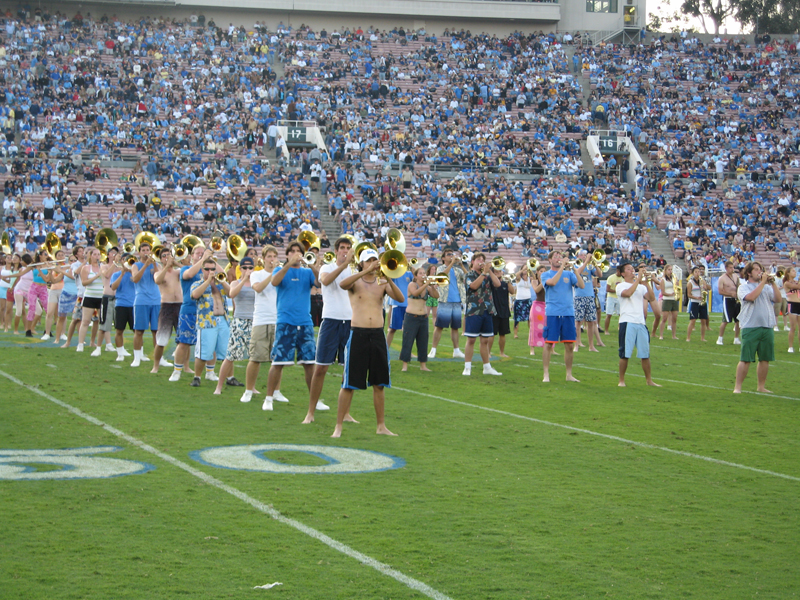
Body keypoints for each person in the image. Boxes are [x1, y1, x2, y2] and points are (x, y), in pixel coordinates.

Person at [331, 248, 404, 438]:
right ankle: (338, 425)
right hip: (358, 335)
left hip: (377, 336)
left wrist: (388, 277)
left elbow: (400, 298)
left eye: (375, 259)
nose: (373, 263)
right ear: (362, 263)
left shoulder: (382, 283)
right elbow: (342, 284)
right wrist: (364, 272)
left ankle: (381, 426)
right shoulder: (356, 281)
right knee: (348, 383)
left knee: (379, 383)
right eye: (369, 260)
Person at [261, 241, 320, 411]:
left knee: (309, 363)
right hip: (285, 322)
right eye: (292, 251)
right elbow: (274, 282)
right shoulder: (280, 269)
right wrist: (288, 264)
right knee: (278, 362)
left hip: (305, 322)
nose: (295, 254)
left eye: (298, 251)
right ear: (287, 254)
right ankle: (269, 398)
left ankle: (314, 401)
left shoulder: (307, 272)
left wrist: (311, 264)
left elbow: (320, 283)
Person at [303, 236, 356, 423]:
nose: (345, 251)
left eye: (348, 248)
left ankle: (346, 412)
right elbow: (324, 281)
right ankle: (310, 412)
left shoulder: (353, 269)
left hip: (349, 322)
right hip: (331, 321)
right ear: (336, 251)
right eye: (342, 248)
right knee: (321, 368)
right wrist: (344, 265)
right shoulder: (328, 267)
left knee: (348, 370)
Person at [542, 251, 591, 383]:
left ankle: (569, 374)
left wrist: (575, 271)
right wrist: (562, 267)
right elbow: (552, 282)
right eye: (556, 257)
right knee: (548, 344)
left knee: (569, 345)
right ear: (550, 260)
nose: (558, 259)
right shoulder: (545, 274)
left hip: (568, 312)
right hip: (553, 313)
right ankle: (546, 374)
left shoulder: (569, 274)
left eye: (560, 257)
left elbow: (581, 285)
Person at [241, 246, 280, 403]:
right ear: (264, 259)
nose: (272, 259)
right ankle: (248, 390)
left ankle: (276, 391)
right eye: (269, 256)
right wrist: (273, 273)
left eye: (274, 256)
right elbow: (258, 288)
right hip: (261, 319)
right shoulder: (257, 274)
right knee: (255, 358)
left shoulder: (281, 273)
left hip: (278, 319)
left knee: (277, 360)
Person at [733, 262, 780, 394]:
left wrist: (773, 283)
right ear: (749, 273)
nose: (760, 272)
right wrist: (763, 282)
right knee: (746, 358)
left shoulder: (766, 287)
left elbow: (778, 299)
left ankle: (761, 386)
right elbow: (751, 297)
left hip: (767, 326)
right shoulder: (743, 287)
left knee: (765, 358)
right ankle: (738, 387)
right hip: (750, 326)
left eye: (761, 270)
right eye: (757, 270)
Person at [169, 244, 213, 381]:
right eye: (197, 253)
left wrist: (210, 261)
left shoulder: (209, 269)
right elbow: (190, 274)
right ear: (191, 256)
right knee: (184, 342)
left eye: (202, 253)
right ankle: (177, 370)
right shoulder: (185, 269)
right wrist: (203, 258)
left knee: (210, 343)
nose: (200, 254)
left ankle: (210, 372)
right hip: (189, 310)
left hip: (206, 312)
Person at [214, 256, 256, 394]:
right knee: (230, 356)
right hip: (239, 321)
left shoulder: (256, 283)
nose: (248, 270)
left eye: (250, 268)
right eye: (245, 268)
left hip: (254, 322)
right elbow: (232, 294)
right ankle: (219, 387)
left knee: (254, 358)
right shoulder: (235, 282)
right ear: (240, 269)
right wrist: (244, 279)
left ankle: (252, 387)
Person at [616, 263, 661, 387]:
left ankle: (649, 380)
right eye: (629, 269)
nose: (632, 271)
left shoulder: (641, 287)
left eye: (632, 269)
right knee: (625, 354)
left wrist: (646, 282)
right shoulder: (621, 285)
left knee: (645, 354)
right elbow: (628, 293)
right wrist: (638, 280)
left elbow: (651, 298)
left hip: (640, 322)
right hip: (627, 321)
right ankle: (621, 380)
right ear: (623, 273)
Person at [189, 258, 231, 386]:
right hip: (207, 322)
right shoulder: (198, 283)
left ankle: (230, 378)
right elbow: (194, 295)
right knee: (203, 352)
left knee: (227, 352)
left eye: (213, 269)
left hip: (223, 320)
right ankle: (197, 377)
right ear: (202, 270)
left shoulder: (220, 283)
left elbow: (231, 293)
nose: (210, 271)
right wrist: (207, 281)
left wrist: (222, 281)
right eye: (207, 269)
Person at [462, 253, 503, 376]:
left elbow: (498, 284)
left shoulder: (487, 275)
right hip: (474, 310)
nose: (481, 262)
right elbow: (473, 286)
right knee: (471, 340)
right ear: (473, 262)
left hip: (487, 310)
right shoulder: (469, 275)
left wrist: (489, 271)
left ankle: (487, 367)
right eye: (479, 260)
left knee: (485, 340)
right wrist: (484, 273)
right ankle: (467, 367)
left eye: (483, 260)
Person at [428, 249, 466, 359]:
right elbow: (441, 276)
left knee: (455, 327)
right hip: (445, 301)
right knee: (439, 326)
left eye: (452, 254)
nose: (451, 256)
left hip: (457, 301)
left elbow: (467, 277)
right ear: (443, 258)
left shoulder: (458, 270)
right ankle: (433, 349)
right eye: (448, 255)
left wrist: (462, 265)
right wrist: (452, 263)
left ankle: (456, 350)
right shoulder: (440, 268)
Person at [399, 265, 438, 372]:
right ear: (415, 276)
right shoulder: (412, 284)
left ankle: (423, 365)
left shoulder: (428, 287)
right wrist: (426, 284)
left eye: (424, 273)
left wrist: (433, 286)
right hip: (411, 317)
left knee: (423, 341)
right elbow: (415, 293)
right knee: (408, 341)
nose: (423, 275)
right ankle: (405, 365)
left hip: (423, 318)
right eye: (420, 273)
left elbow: (436, 296)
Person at [129, 241, 161, 366]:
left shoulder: (155, 264)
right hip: (141, 300)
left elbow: (159, 279)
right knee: (139, 331)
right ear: (139, 252)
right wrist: (145, 265)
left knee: (156, 331)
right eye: (143, 250)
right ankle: (137, 358)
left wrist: (153, 264)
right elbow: (135, 279)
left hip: (156, 300)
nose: (146, 253)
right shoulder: (135, 265)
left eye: (148, 250)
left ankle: (159, 359)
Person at [151, 247, 183, 373]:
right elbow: (158, 280)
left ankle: (184, 366)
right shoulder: (158, 272)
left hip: (180, 305)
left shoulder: (178, 272)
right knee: (161, 339)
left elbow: (190, 272)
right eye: (164, 256)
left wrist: (176, 264)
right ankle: (156, 366)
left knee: (183, 339)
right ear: (161, 259)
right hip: (166, 306)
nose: (167, 257)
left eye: (168, 255)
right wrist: (166, 266)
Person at [76, 248, 104, 352]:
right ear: (91, 256)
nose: (97, 256)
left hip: (101, 296)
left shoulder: (103, 267)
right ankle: (80, 344)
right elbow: (84, 283)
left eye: (98, 254)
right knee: (85, 321)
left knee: (101, 321)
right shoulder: (86, 268)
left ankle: (97, 344)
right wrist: (97, 276)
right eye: (95, 254)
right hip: (89, 296)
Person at [573, 250, 600, 352]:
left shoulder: (589, 266)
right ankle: (576, 345)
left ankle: (591, 346)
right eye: (582, 255)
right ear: (578, 256)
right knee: (578, 322)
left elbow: (599, 274)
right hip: (579, 296)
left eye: (585, 255)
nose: (584, 256)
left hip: (590, 296)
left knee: (591, 322)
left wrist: (595, 263)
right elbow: (577, 273)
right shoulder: (575, 265)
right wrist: (586, 262)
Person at [110, 255, 135, 361]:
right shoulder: (116, 274)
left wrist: (132, 272)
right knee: (119, 330)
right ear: (121, 262)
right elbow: (113, 287)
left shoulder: (135, 274)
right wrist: (122, 273)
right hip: (121, 304)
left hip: (134, 305)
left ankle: (139, 354)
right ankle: (120, 353)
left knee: (137, 331)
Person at [96, 247, 120, 356]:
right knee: (104, 324)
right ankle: (98, 348)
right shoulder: (104, 265)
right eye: (112, 253)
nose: (114, 254)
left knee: (119, 325)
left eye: (116, 253)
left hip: (119, 298)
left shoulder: (119, 267)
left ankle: (118, 348)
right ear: (108, 255)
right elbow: (106, 275)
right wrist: (115, 263)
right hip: (107, 297)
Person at [490, 260, 514, 359]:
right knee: (492, 334)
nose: (499, 273)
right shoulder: (491, 283)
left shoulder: (505, 283)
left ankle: (502, 352)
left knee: (503, 334)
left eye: (500, 271)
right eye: (496, 272)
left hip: (504, 311)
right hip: (494, 311)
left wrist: (508, 282)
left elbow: (512, 291)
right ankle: (488, 352)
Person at [386, 266, 413, 348]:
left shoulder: (409, 273)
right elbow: (388, 279)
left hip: (408, 304)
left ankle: (406, 352)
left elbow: (416, 278)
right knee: (392, 329)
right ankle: (385, 350)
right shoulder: (394, 274)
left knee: (408, 331)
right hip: (396, 304)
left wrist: (411, 267)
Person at [716, 260, 741, 345]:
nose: (732, 269)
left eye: (733, 267)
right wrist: (731, 293)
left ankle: (736, 338)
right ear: (726, 268)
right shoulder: (722, 278)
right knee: (725, 320)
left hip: (736, 300)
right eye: (730, 267)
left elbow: (738, 286)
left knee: (738, 320)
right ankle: (720, 338)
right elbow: (720, 291)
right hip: (727, 300)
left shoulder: (735, 276)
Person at [685, 266, 711, 343]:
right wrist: (696, 297)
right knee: (693, 320)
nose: (697, 273)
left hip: (702, 302)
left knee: (703, 320)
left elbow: (708, 288)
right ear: (693, 273)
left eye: (698, 272)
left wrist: (705, 286)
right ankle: (688, 337)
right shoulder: (690, 282)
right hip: (694, 302)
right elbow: (689, 295)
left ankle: (702, 338)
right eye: (696, 272)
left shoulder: (702, 281)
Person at [528, 264, 547, 356]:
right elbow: (536, 290)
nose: (543, 273)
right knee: (534, 328)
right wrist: (543, 281)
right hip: (537, 306)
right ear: (537, 272)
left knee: (548, 327)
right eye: (541, 271)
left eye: (544, 271)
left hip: (547, 305)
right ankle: (532, 348)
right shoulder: (535, 281)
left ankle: (549, 348)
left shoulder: (549, 281)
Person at [657, 264, 680, 340]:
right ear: (665, 271)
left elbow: (677, 288)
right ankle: (661, 335)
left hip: (674, 299)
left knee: (674, 318)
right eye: (669, 270)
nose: (670, 271)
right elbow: (663, 292)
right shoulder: (663, 280)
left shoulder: (674, 279)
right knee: (664, 318)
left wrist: (677, 285)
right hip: (666, 299)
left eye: (671, 270)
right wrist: (670, 294)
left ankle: (674, 335)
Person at [513, 265, 532, 340]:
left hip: (528, 299)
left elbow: (536, 278)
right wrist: (522, 270)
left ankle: (531, 332)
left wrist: (530, 271)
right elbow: (516, 275)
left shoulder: (529, 278)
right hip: (519, 300)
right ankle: (515, 334)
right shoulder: (519, 278)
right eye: (524, 268)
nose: (525, 270)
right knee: (517, 318)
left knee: (530, 318)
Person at [603, 266, 623, 335]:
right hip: (611, 297)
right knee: (609, 314)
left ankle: (620, 328)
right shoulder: (611, 277)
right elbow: (607, 289)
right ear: (617, 271)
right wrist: (616, 291)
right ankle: (606, 330)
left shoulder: (623, 278)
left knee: (621, 314)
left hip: (619, 298)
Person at [784, 267, 799, 353]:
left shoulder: (796, 282)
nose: (795, 272)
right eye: (793, 271)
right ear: (788, 273)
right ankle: (790, 346)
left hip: (799, 304)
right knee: (793, 327)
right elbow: (797, 287)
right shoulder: (787, 283)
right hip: (792, 304)